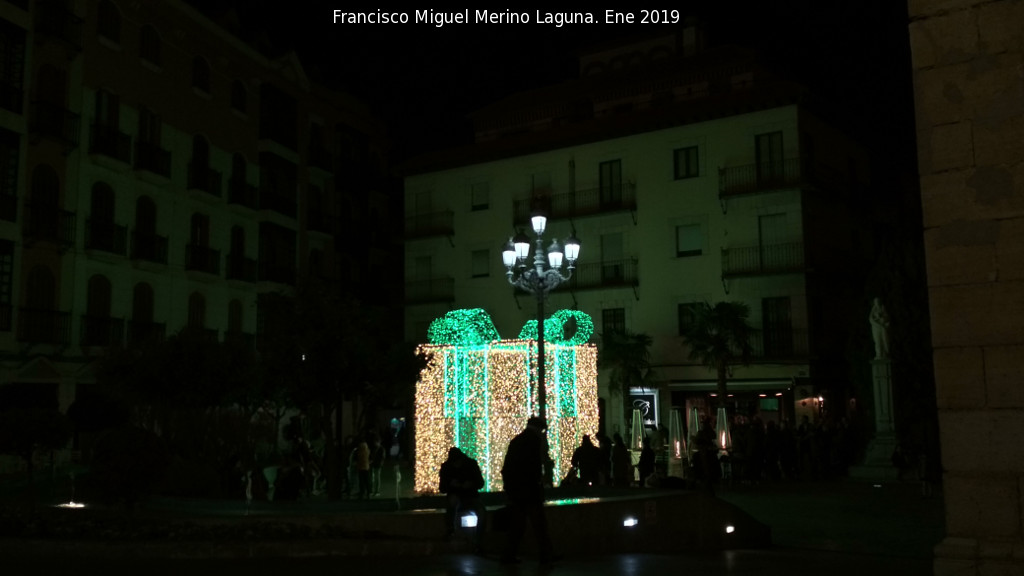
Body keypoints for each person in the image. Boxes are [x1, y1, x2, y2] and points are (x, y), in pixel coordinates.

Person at [500, 416, 557, 565]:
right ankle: (546, 556)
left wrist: (509, 488)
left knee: (517, 526)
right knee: (539, 525)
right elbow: (534, 468)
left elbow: (507, 468)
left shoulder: (517, 441)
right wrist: (540, 482)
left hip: (517, 491)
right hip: (530, 491)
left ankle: (508, 555)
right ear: (539, 429)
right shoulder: (534, 442)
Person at [439, 446, 486, 548]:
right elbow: (442, 488)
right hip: (456, 496)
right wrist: (451, 485)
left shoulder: (471, 465)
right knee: (452, 502)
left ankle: (479, 538)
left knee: (481, 511)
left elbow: (480, 483)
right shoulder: (446, 467)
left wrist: (471, 484)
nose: (457, 466)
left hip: (471, 495)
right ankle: (451, 531)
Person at [369, 432, 386, 497]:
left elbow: (382, 458)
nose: (375, 443)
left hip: (377, 465)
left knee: (376, 478)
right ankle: (373, 491)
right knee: (373, 478)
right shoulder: (376, 448)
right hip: (374, 464)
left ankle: (376, 491)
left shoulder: (381, 449)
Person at [355, 434, 371, 499]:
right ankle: (368, 492)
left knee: (361, 480)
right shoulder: (367, 448)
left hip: (361, 466)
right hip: (366, 466)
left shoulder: (360, 448)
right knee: (367, 480)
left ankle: (362, 492)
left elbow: (359, 456)